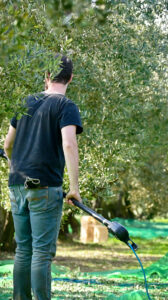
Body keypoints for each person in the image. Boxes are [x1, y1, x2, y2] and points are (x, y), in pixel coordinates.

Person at [4, 55, 83, 300]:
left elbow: (7, 145)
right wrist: (74, 187)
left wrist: (14, 167)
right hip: (44, 188)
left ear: (46, 76)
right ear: (70, 77)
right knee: (40, 252)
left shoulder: (26, 102)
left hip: (17, 185)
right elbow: (69, 144)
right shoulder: (66, 106)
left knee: (23, 250)